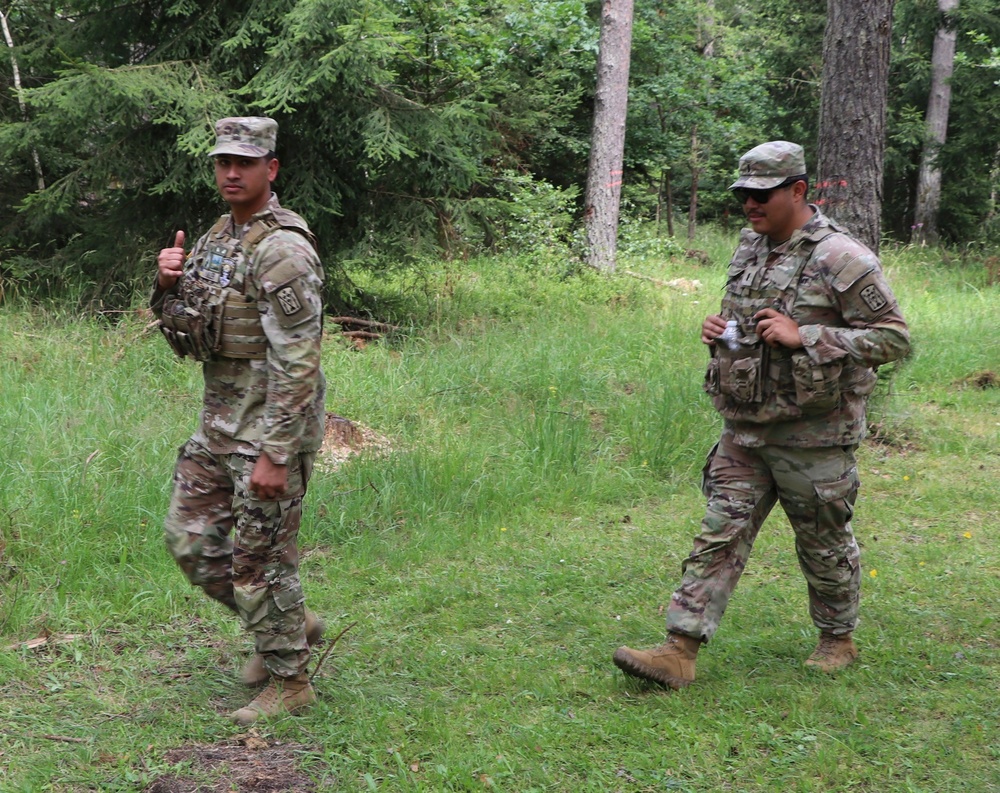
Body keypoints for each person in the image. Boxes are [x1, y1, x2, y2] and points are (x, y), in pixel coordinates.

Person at [613, 141, 910, 689]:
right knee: (718, 532)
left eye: (761, 194)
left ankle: (837, 638)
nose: (749, 204)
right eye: (743, 195)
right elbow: (750, 323)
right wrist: (721, 334)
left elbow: (894, 338)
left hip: (814, 432)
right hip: (745, 427)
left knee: (822, 542)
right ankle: (679, 650)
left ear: (798, 190)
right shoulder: (750, 246)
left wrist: (809, 336)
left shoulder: (841, 256)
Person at [151, 117, 327, 725]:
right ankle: (289, 625)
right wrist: (165, 283)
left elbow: (300, 359)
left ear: (269, 169)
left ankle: (290, 680)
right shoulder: (217, 239)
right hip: (219, 425)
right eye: (224, 161)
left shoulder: (283, 249)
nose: (232, 172)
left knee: (260, 563)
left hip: (267, 433)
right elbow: (187, 329)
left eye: (245, 162)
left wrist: (278, 453)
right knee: (190, 540)